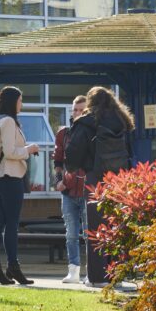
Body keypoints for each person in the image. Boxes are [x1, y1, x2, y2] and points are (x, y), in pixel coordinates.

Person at [65, 86, 135, 286]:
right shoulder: (123, 122)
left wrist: (72, 168)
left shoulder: (86, 123)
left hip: (95, 179)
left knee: (96, 228)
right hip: (119, 181)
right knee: (115, 227)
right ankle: (115, 276)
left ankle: (96, 278)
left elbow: (74, 152)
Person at [0, 86, 40, 286]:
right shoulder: (7, 121)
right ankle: (12, 267)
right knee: (11, 224)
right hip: (10, 176)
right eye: (20, 100)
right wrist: (29, 149)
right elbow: (9, 151)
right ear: (12, 101)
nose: (21, 104)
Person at [52, 95, 88, 284]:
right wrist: (59, 180)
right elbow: (58, 160)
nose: (77, 113)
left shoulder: (93, 133)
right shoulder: (64, 133)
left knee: (91, 234)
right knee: (71, 233)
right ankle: (73, 270)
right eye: (75, 109)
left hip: (88, 190)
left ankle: (93, 271)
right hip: (68, 192)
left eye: (81, 110)